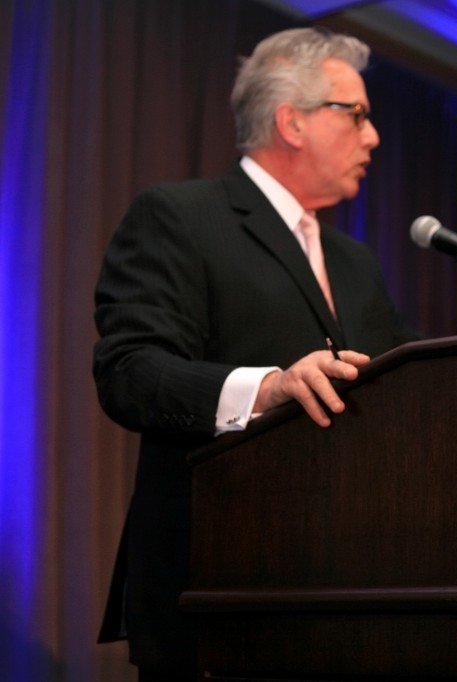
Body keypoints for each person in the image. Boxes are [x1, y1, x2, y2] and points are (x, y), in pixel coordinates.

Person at [93, 27, 420, 681]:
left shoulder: (355, 262)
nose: (374, 135)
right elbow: (130, 371)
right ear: (290, 122)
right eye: (355, 114)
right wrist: (266, 389)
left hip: (346, 595)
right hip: (215, 591)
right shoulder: (180, 217)